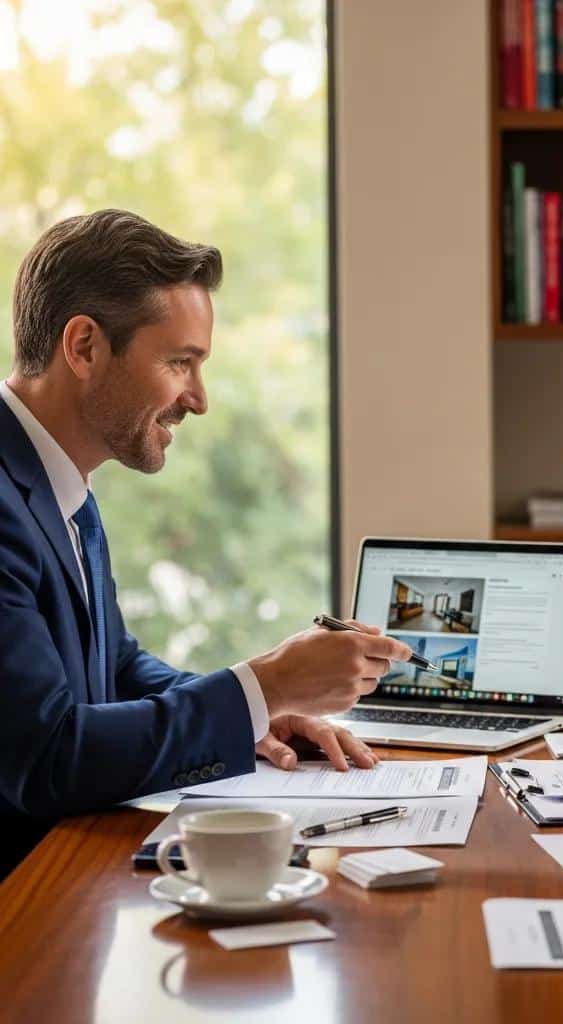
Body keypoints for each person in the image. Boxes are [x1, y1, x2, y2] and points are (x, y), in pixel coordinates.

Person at [0, 210, 411, 874]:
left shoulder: (60, 486)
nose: (199, 399)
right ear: (83, 347)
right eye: (180, 363)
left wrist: (255, 712)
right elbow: (46, 757)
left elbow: (116, 672)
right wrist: (262, 686)